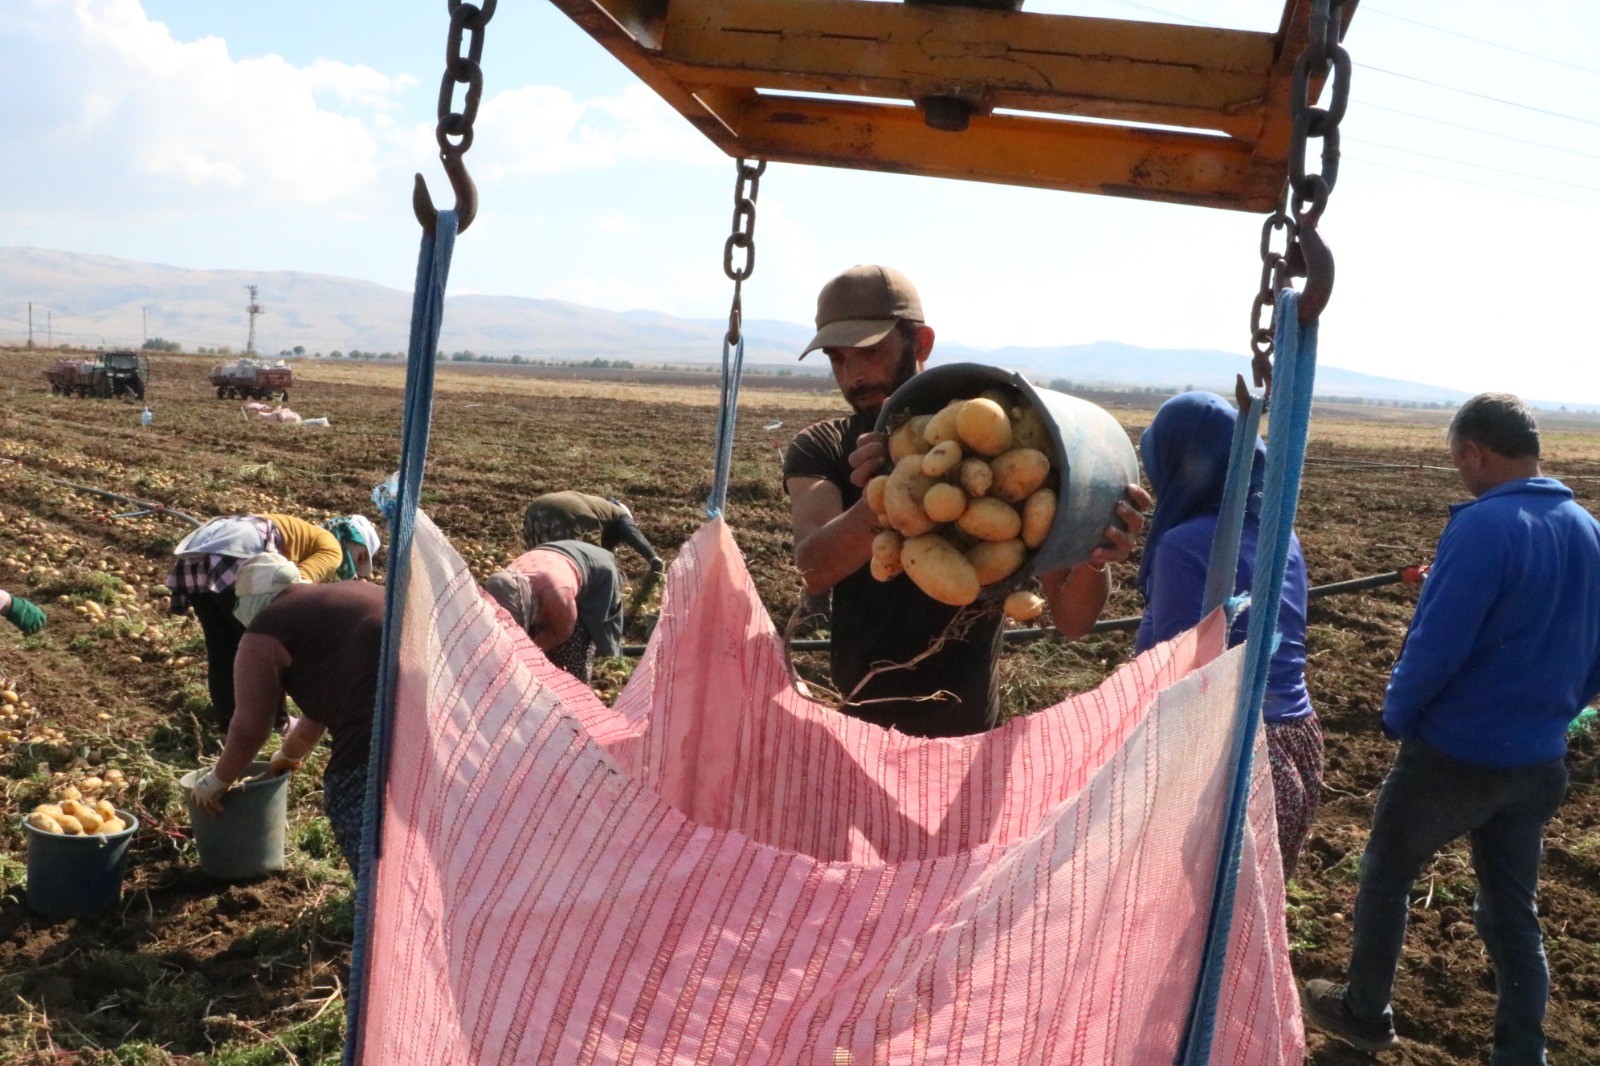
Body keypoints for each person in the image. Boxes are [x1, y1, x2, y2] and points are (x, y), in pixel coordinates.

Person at [1302, 393, 1600, 1062]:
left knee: (1386, 873)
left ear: (1475, 452)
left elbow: (1436, 644)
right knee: (1510, 911)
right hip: (1538, 759)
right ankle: (1523, 1051)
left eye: (1458, 459)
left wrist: (1399, 714)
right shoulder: (1587, 528)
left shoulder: (1482, 528)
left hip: (1455, 755)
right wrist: (1560, 711)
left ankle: (1365, 1011)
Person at [782, 264, 1150, 737]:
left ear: (921, 345)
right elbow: (811, 568)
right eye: (837, 359)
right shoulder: (824, 447)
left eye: (868, 352)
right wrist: (882, 499)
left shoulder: (999, 447)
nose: (852, 376)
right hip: (857, 728)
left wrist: (1093, 553)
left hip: (970, 733)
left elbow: (1073, 622)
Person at [1132, 391, 1322, 879]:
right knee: (1251, 926)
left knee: (1195, 929)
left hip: (1228, 762)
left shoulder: (1182, 545)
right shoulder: (1283, 536)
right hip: (1295, 747)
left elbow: (1172, 674)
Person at [187, 552, 385, 875]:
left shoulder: (267, 627)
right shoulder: (336, 598)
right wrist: (288, 756)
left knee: (348, 797)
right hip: (439, 695)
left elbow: (250, 726)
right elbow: (319, 714)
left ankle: (379, 908)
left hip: (380, 714)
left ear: (251, 601)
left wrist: (217, 780)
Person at [165, 512, 376, 730]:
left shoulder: (302, 533)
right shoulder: (332, 548)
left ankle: (228, 725)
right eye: (360, 558)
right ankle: (278, 723)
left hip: (197, 553)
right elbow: (296, 587)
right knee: (270, 645)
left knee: (222, 648)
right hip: (234, 554)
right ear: (354, 546)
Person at [484, 539, 624, 684]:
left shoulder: (557, 594)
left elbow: (563, 631)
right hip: (553, 556)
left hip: (597, 570)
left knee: (571, 652)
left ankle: (572, 698)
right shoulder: (503, 584)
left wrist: (525, 655)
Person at [523, 491, 665, 572]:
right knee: (591, 569)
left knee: (542, 560)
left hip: (535, 510)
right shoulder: (620, 513)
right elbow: (632, 533)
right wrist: (653, 557)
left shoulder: (599, 506)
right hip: (570, 516)